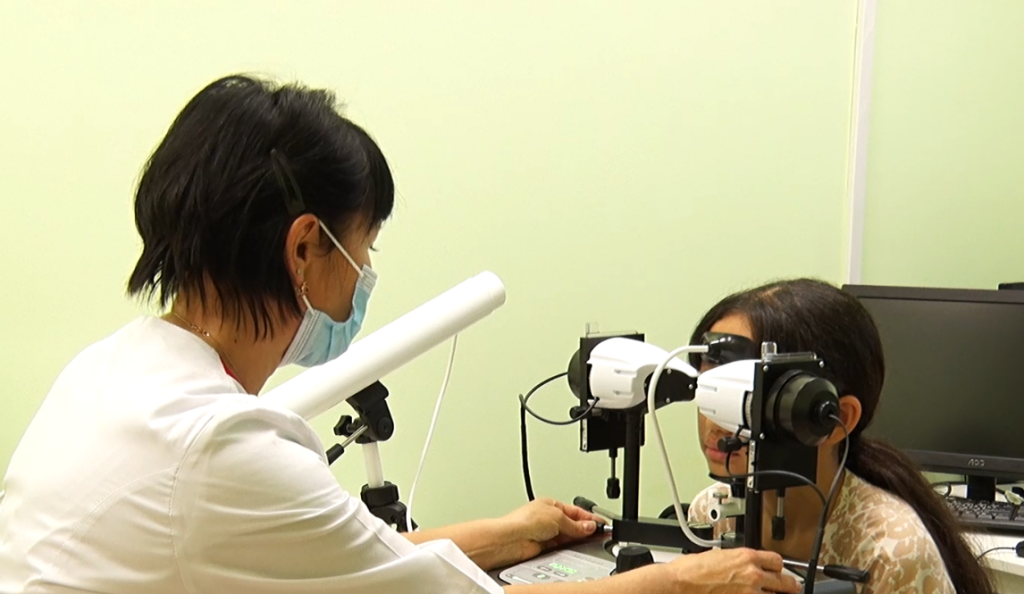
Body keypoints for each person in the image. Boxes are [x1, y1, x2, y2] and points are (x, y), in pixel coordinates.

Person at [0, 75, 800, 594]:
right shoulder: (220, 449)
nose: (365, 276)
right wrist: (686, 581)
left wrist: (510, 533)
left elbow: (344, 557)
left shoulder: (106, 375)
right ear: (305, 248)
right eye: (364, 250)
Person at [686, 279, 995, 594]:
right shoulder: (714, 513)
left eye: (743, 398)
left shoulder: (892, 551)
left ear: (836, 420)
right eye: (709, 391)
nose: (714, 423)